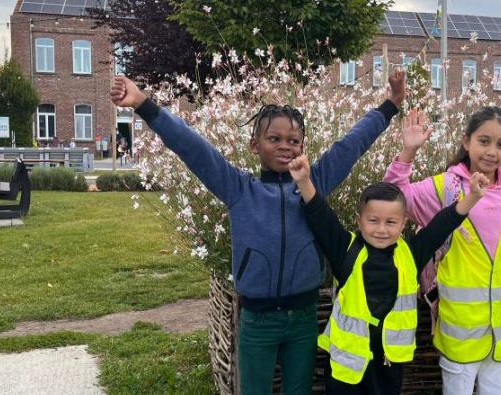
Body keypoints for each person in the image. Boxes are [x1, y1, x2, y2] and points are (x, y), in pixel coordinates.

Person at [109, 70, 407, 395]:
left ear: (303, 147)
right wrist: (141, 103)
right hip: (257, 321)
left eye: (293, 141)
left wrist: (390, 105)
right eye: (274, 139)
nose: (285, 147)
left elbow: (352, 144)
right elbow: (192, 147)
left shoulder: (314, 183)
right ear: (255, 145)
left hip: (303, 319)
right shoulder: (238, 189)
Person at [383, 107, 501, 394]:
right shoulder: (446, 189)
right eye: (484, 141)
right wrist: (408, 152)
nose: (492, 151)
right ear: (466, 141)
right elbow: (391, 199)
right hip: (459, 332)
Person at [289, 152, 488, 394]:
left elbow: (441, 225)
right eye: (373, 220)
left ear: (404, 223)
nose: (381, 229)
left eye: (391, 222)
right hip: (347, 368)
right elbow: (322, 217)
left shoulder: (410, 255)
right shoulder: (346, 249)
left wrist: (473, 197)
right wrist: (304, 181)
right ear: (359, 220)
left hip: (388, 364)